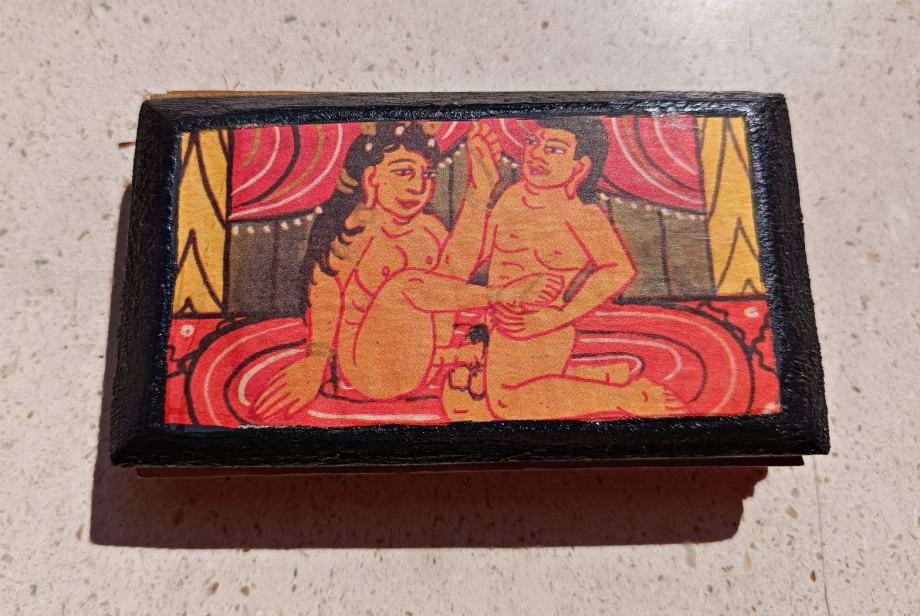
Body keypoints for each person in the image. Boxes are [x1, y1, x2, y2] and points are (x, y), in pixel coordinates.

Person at [253, 121, 559, 418]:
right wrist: (316, 360)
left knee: (439, 282)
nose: (418, 186)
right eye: (403, 172)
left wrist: (479, 195)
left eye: (426, 174)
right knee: (407, 285)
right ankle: (502, 297)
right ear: (371, 179)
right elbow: (325, 294)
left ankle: (457, 353)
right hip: (371, 371)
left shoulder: (429, 229)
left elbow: (452, 279)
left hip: (423, 359)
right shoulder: (355, 232)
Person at [440, 117, 685, 419]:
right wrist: (479, 187)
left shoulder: (580, 215)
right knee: (463, 405)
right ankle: (595, 376)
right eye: (533, 142)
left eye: (554, 149)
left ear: (579, 167)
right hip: (498, 324)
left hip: (544, 329)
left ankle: (627, 397)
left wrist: (559, 316)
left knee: (507, 406)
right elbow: (473, 254)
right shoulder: (510, 197)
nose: (536, 154)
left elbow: (618, 268)